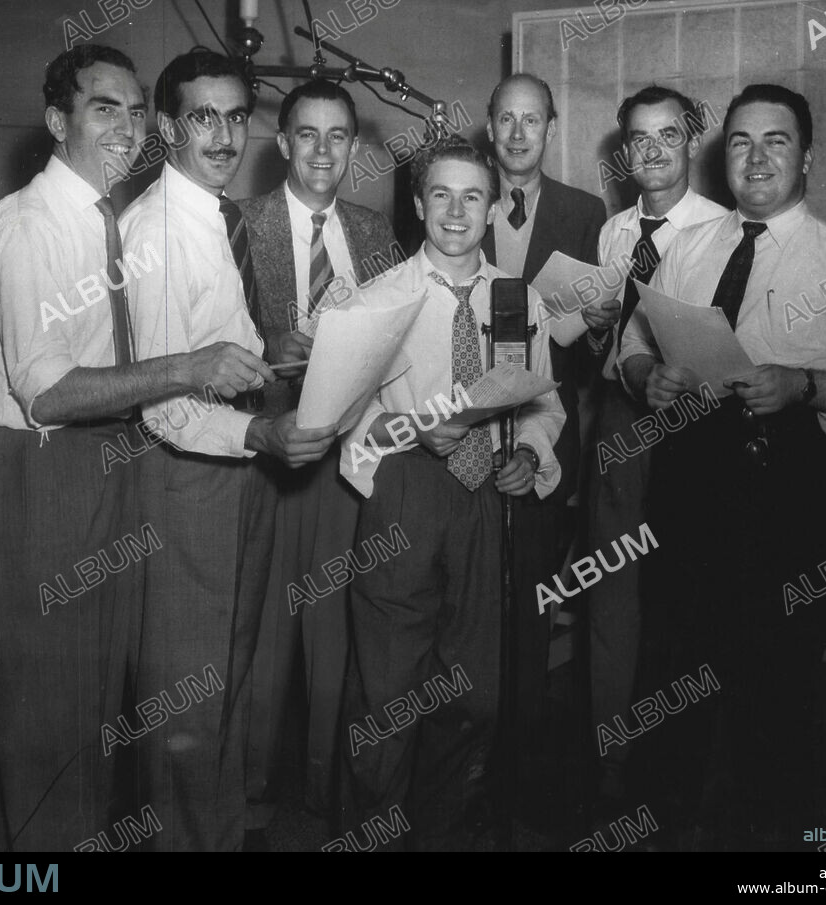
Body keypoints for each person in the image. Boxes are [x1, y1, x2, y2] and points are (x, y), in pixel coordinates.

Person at [0, 44, 264, 851]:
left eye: (135, 110)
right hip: (38, 474)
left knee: (94, 737)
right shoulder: (28, 226)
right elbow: (48, 391)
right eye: (105, 109)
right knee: (50, 741)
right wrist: (189, 367)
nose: (128, 127)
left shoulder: (106, 221)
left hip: (103, 470)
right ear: (59, 121)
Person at [619, 84, 826, 849]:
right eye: (742, 141)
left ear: (807, 156)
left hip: (787, 490)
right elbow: (632, 339)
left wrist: (804, 384)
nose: (756, 157)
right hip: (689, 482)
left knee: (774, 677)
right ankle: (665, 819)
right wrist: (645, 374)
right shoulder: (689, 245)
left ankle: (762, 839)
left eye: (775, 141)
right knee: (674, 661)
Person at [119, 51, 336, 851]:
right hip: (187, 479)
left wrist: (275, 347)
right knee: (187, 699)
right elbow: (166, 406)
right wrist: (263, 432)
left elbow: (217, 343)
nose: (222, 134)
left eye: (235, 115)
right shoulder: (152, 230)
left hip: (236, 470)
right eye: (202, 117)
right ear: (170, 126)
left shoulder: (217, 214)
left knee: (229, 681)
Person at [339, 136, 565, 850]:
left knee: (474, 695)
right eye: (441, 194)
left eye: (473, 195)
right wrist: (406, 425)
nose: (457, 211)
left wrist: (529, 452)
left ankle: (433, 833)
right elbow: (340, 415)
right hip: (405, 489)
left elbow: (545, 404)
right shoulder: (379, 298)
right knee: (388, 694)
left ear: (495, 205)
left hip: (486, 498)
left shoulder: (519, 298)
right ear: (416, 204)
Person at [241, 79, 399, 822]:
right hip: (264, 459)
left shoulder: (374, 232)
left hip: (347, 461)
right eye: (308, 134)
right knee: (264, 639)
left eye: (339, 136)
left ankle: (329, 792)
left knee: (334, 636)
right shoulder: (240, 225)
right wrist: (272, 346)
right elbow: (200, 336)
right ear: (281, 143)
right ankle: (251, 798)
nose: (324, 151)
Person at [581, 85, 726, 818]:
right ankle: (615, 759)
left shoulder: (727, 229)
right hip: (619, 423)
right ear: (624, 150)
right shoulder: (612, 235)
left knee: (683, 597)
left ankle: (680, 763)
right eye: (638, 139)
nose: (653, 151)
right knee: (614, 600)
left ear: (691, 142)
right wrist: (600, 326)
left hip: (697, 433)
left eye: (668, 135)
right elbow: (603, 346)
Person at [480, 73, 605, 816]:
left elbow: (597, 348)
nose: (519, 134)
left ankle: (518, 766)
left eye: (533, 121)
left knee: (529, 598)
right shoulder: (454, 197)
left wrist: (593, 326)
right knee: (469, 599)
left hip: (545, 430)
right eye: (506, 119)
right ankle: (469, 747)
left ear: (549, 129)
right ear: (488, 127)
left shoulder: (586, 213)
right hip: (464, 430)